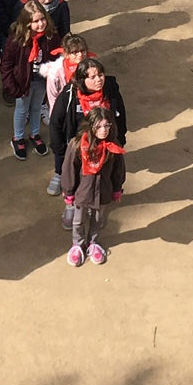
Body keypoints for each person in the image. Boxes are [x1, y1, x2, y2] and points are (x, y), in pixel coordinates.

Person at [44, 58, 129, 197]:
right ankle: (62, 180)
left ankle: (94, 203)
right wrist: (60, 149)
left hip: (102, 145)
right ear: (82, 79)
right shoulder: (70, 94)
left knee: (98, 178)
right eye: (93, 77)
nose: (99, 79)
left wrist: (120, 138)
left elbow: (120, 114)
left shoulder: (110, 90)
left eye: (101, 75)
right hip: (78, 147)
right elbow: (55, 122)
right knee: (74, 176)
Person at [61, 107, 127, 266]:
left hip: (103, 191)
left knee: (98, 220)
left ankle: (93, 243)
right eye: (99, 126)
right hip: (82, 193)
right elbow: (69, 169)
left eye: (107, 126)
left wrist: (117, 188)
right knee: (78, 221)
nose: (103, 130)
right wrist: (69, 191)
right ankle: (77, 243)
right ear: (90, 126)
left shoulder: (113, 146)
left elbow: (119, 169)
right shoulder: (78, 145)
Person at [0, 1, 60, 160]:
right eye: (36, 21)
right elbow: (6, 64)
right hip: (22, 83)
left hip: (41, 81)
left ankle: (35, 133)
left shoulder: (51, 36)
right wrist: (11, 87)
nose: (41, 24)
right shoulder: (16, 40)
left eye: (43, 19)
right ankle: (18, 138)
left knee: (36, 107)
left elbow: (56, 57)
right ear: (26, 23)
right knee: (22, 109)